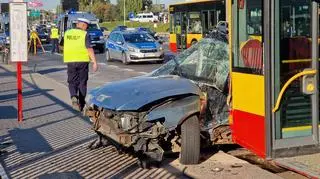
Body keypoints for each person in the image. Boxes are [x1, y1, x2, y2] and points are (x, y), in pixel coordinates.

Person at [63, 18, 98, 111]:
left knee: (71, 82)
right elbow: (89, 49)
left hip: (70, 61)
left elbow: (62, 45)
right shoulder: (84, 34)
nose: (87, 28)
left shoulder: (67, 33)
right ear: (82, 25)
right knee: (82, 83)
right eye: (86, 26)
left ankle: (73, 96)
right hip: (82, 61)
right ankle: (81, 105)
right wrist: (94, 62)